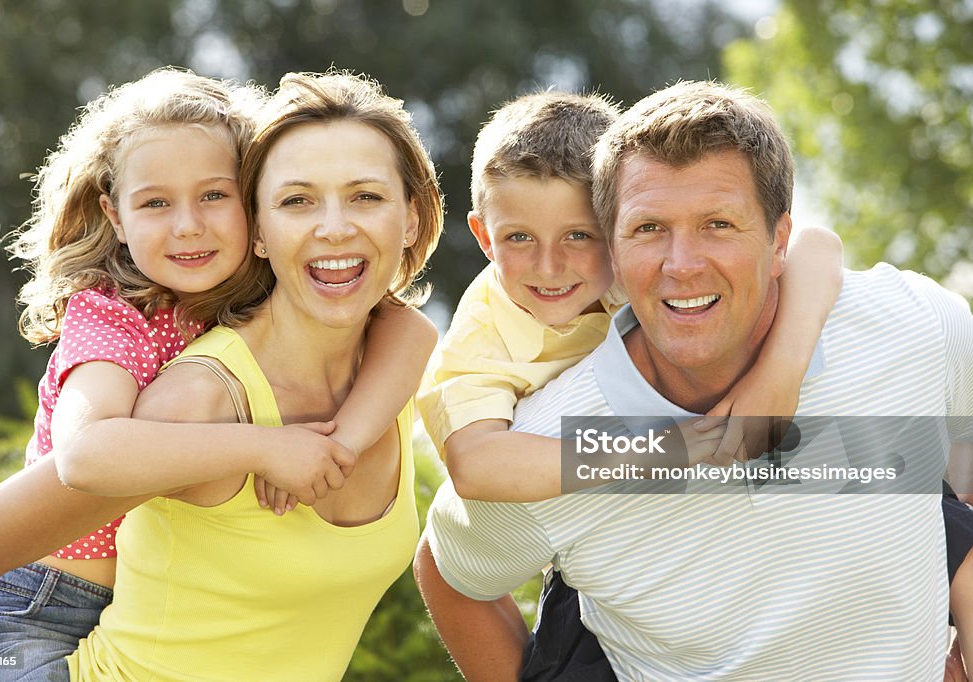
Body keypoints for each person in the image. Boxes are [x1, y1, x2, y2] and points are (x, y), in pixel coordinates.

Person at [414, 80, 973, 680]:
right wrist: (681, 451)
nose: (681, 265)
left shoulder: (914, 326)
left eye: (719, 225)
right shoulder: (544, 441)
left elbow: (961, 481)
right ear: (618, 247)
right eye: (649, 229)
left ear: (777, 238)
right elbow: (451, 574)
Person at [0, 68, 438, 681]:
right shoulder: (137, 339)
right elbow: (78, 462)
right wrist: (267, 447)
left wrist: (339, 443)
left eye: (213, 196)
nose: (189, 226)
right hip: (37, 609)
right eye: (297, 200)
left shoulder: (365, 350)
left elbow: (415, 332)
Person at [418, 90, 843, 505]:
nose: (549, 266)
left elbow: (818, 246)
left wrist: (777, 377)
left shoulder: (636, 268)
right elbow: (474, 466)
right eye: (519, 237)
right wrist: (659, 451)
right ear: (484, 238)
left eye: (579, 236)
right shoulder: (482, 336)